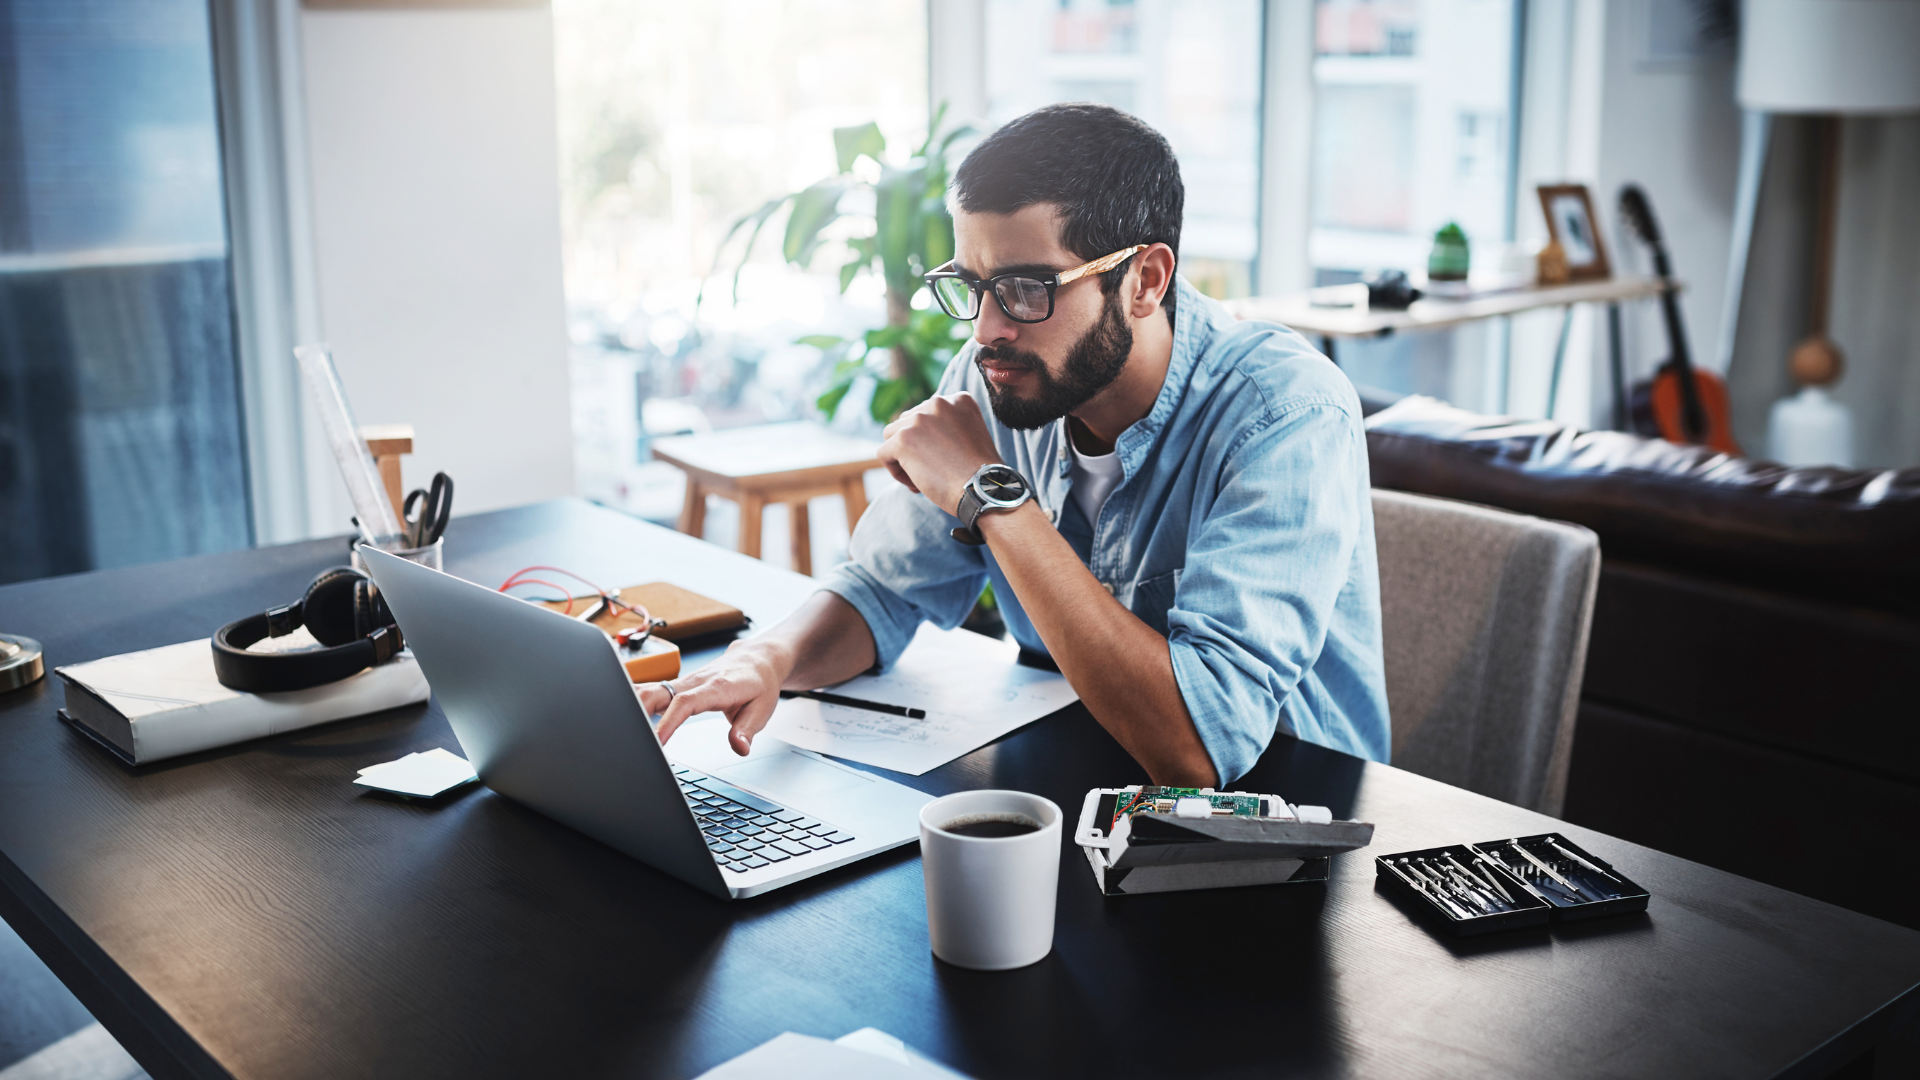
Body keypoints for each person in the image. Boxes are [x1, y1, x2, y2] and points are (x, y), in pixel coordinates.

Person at [642, 103, 1390, 788]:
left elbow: (1196, 749)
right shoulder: (1002, 370)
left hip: (1288, 832)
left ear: (1145, 281)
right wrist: (763, 662)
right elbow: (886, 589)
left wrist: (990, 493)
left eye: (1028, 289)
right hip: (1074, 785)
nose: (985, 329)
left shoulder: (1286, 414)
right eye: (972, 284)